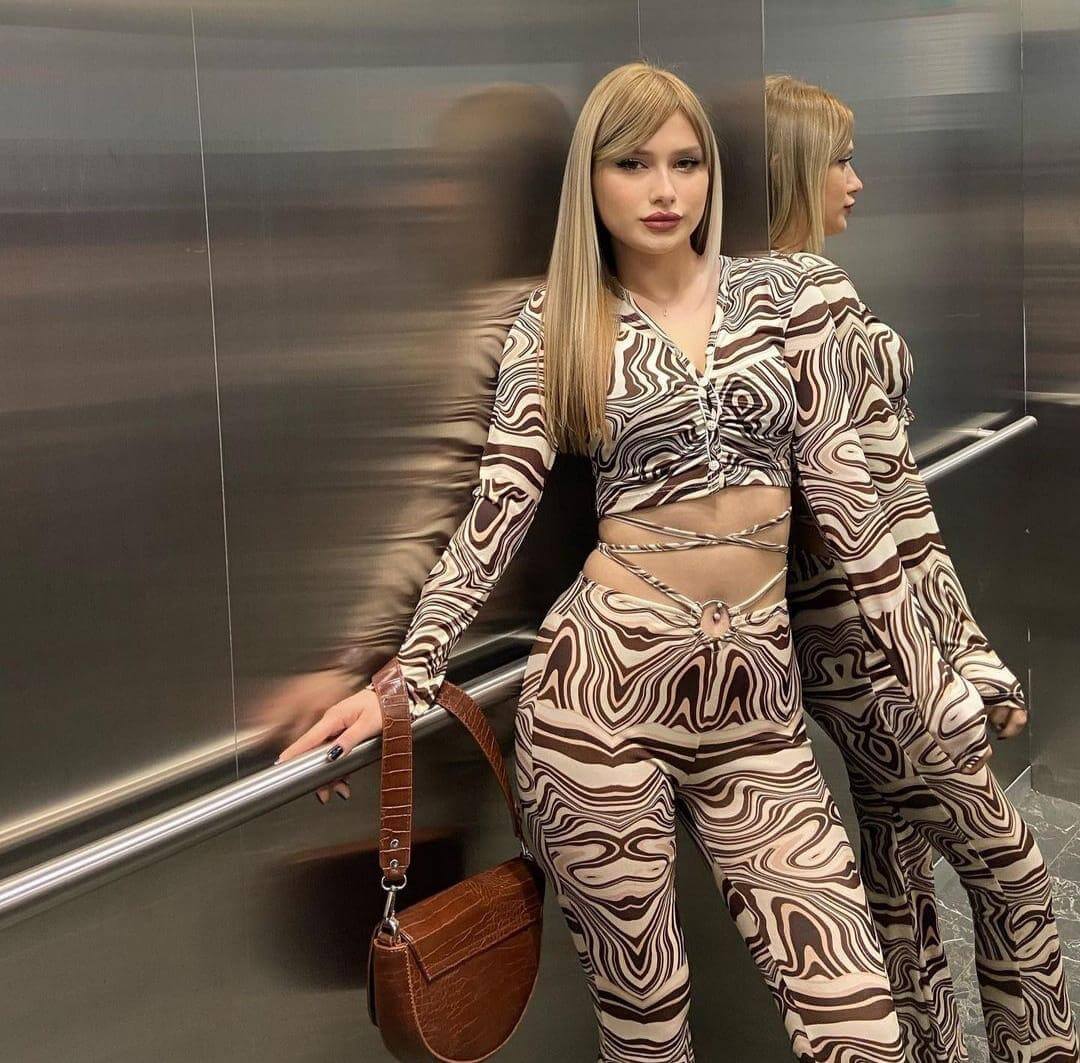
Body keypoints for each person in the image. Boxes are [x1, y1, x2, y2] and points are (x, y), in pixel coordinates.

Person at [279, 61, 999, 1062]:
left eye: (685, 162)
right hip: (598, 711)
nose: (663, 189)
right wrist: (402, 676)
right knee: (647, 1032)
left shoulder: (795, 293)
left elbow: (857, 516)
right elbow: (492, 515)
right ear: (590, 180)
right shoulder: (553, 323)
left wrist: (933, 678)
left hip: (757, 715)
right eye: (631, 164)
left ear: (712, 174)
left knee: (861, 1027)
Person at [766, 73, 1078, 1063]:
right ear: (794, 170)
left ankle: (929, 1047)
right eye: (840, 160)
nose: (856, 180)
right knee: (1014, 872)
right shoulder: (811, 296)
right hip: (878, 648)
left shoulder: (742, 299)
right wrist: (947, 669)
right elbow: (879, 518)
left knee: (896, 869)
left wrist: (967, 652)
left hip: (830, 644)